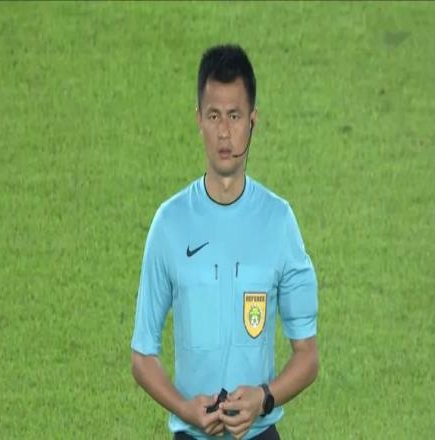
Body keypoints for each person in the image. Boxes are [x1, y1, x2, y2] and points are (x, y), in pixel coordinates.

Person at [131, 44, 319, 440]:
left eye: (234, 116)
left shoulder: (279, 222)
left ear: (252, 121)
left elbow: (308, 356)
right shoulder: (169, 224)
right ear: (198, 119)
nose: (224, 132)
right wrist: (185, 408)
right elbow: (142, 354)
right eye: (214, 115)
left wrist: (263, 398)